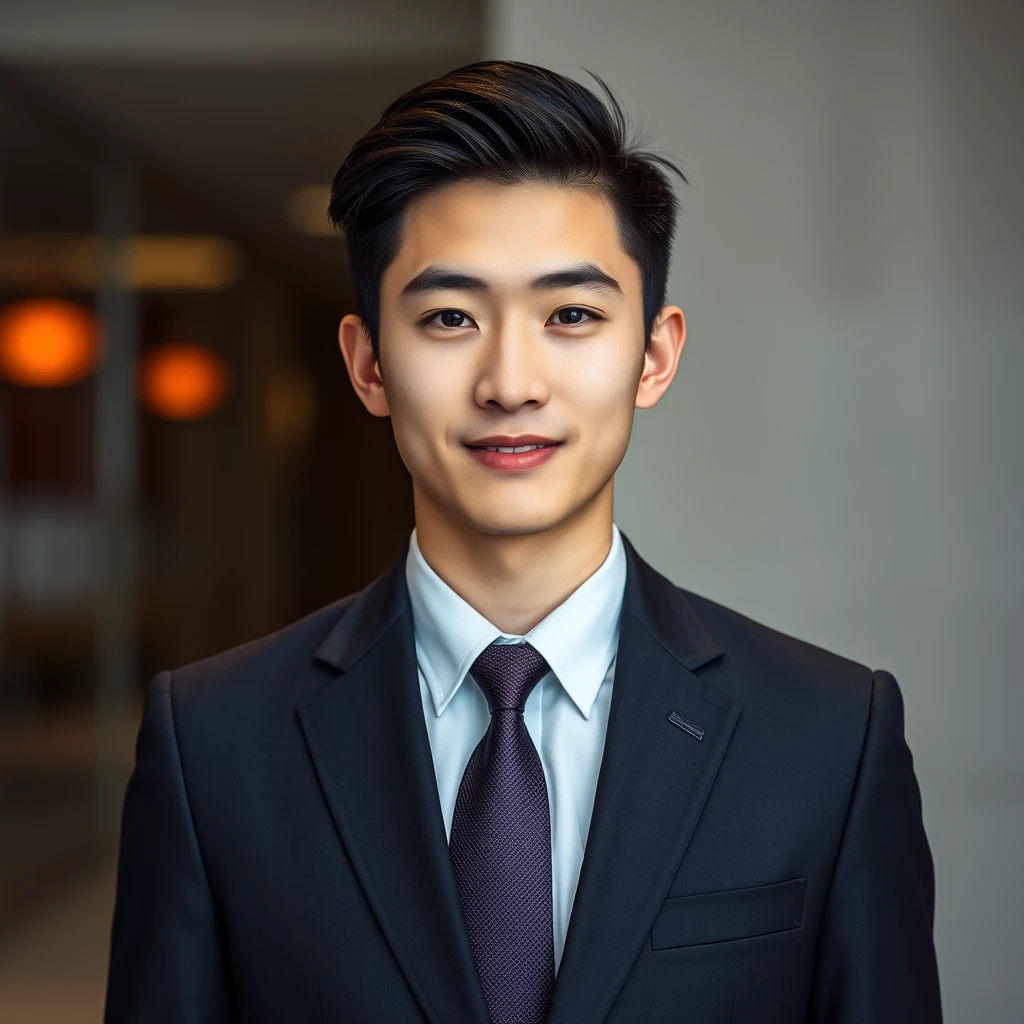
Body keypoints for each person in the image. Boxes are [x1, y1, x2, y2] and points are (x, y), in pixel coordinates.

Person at [103, 60, 942, 1024]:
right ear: (369, 363)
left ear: (654, 355)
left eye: (572, 315)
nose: (511, 380)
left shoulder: (830, 735)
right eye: (449, 317)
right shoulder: (213, 742)